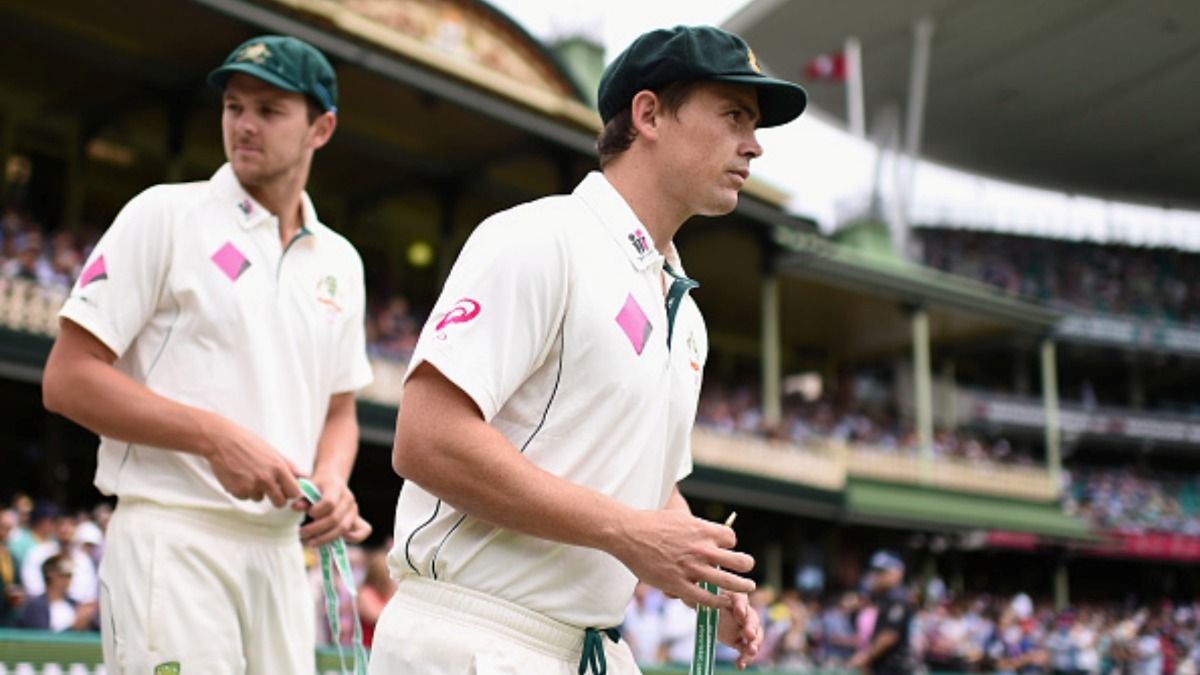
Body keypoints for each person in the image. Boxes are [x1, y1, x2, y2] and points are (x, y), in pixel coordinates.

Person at [369, 24, 806, 675]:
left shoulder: (686, 318)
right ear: (649, 114)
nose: (754, 145)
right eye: (734, 115)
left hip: (589, 647)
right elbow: (425, 437)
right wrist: (630, 533)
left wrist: (703, 570)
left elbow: (648, 492)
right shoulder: (540, 238)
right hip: (471, 635)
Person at [41, 34, 373, 673]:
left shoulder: (343, 262)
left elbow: (339, 410)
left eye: (269, 110)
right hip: (173, 535)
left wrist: (333, 480)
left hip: (281, 555)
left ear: (321, 129)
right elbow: (67, 379)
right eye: (233, 106)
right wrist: (216, 438)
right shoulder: (163, 215)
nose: (244, 125)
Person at [850, 550, 918, 674]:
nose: (876, 576)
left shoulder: (897, 599)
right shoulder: (885, 598)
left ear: (897, 573)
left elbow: (889, 636)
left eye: (882, 572)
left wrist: (865, 657)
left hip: (895, 668)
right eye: (875, 571)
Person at [18, 553, 96, 632]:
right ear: (51, 575)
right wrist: (73, 628)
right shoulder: (35, 606)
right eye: (65, 574)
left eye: (70, 575)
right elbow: (41, 639)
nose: (69, 579)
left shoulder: (75, 605)